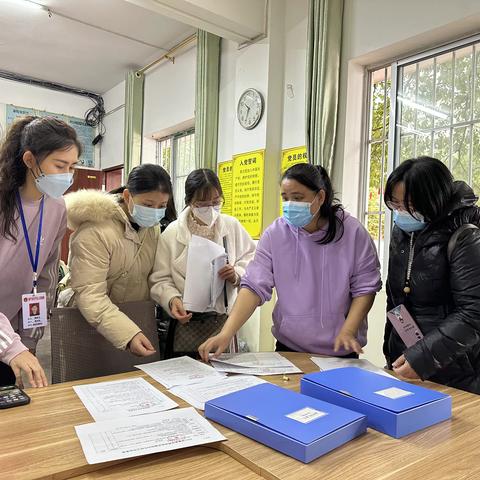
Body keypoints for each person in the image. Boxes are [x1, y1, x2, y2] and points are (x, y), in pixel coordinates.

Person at [199, 163, 382, 361]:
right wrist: (226, 333)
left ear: (320, 197)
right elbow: (253, 287)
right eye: (285, 198)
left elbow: (365, 288)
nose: (290, 205)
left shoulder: (352, 232)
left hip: (340, 350)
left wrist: (348, 330)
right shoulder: (276, 234)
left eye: (298, 198)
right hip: (289, 348)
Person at [383, 156, 480, 393]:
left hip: (456, 371)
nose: (400, 213)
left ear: (433, 200)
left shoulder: (465, 236)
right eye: (395, 204)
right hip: (408, 364)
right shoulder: (402, 232)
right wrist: (391, 350)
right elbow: (395, 299)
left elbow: (473, 313)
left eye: (409, 206)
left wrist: (423, 358)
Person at [61, 164, 176, 356]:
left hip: (132, 323)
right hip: (86, 324)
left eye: (162, 206)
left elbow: (155, 276)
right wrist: (128, 334)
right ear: (127, 196)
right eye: (148, 205)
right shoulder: (95, 231)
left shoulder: (152, 229)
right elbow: (91, 295)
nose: (155, 212)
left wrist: (170, 298)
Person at [0, 116, 81, 387]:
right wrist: (12, 346)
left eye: (72, 167)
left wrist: (29, 339)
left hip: (14, 336)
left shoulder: (57, 208)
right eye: (59, 165)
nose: (67, 175)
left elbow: (45, 276)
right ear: (29, 160)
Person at [150, 168, 256, 357]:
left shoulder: (231, 226)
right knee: (185, 375)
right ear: (189, 202)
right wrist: (172, 299)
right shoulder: (173, 233)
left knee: (224, 375)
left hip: (222, 321)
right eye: (202, 204)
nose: (211, 209)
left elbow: (252, 259)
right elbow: (160, 279)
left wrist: (237, 274)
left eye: (216, 202)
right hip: (186, 323)